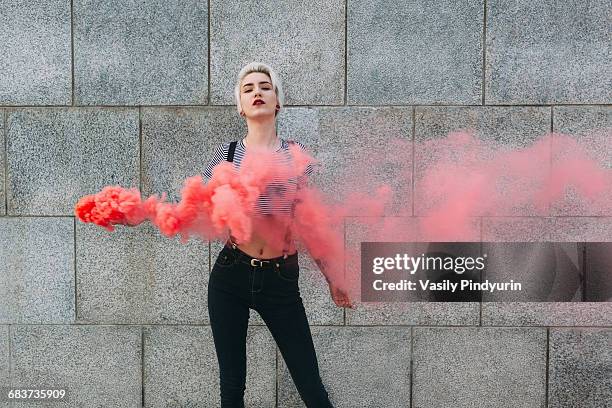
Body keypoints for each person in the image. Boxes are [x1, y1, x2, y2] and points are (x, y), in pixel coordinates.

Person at [204, 62, 353, 408]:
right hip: (230, 275)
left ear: (277, 102)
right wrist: (147, 215)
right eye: (248, 88)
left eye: (265, 87)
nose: (257, 92)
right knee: (231, 389)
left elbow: (310, 222)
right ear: (240, 106)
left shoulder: (295, 156)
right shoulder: (225, 156)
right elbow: (200, 209)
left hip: (280, 280)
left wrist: (333, 276)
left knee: (312, 388)